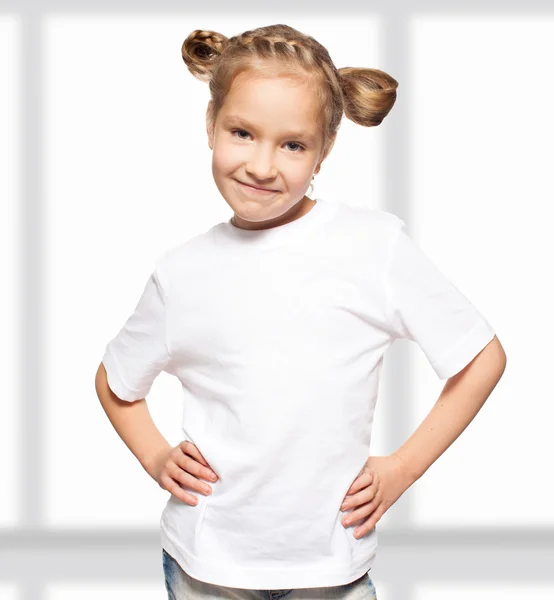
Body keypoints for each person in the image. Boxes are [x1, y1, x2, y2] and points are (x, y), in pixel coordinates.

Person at [94, 23, 507, 600]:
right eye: (242, 133)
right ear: (210, 126)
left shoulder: (373, 247)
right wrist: (155, 455)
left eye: (292, 144)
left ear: (324, 149)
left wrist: (404, 468)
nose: (262, 166)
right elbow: (116, 382)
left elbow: (480, 357)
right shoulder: (181, 273)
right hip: (206, 565)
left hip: (329, 565)